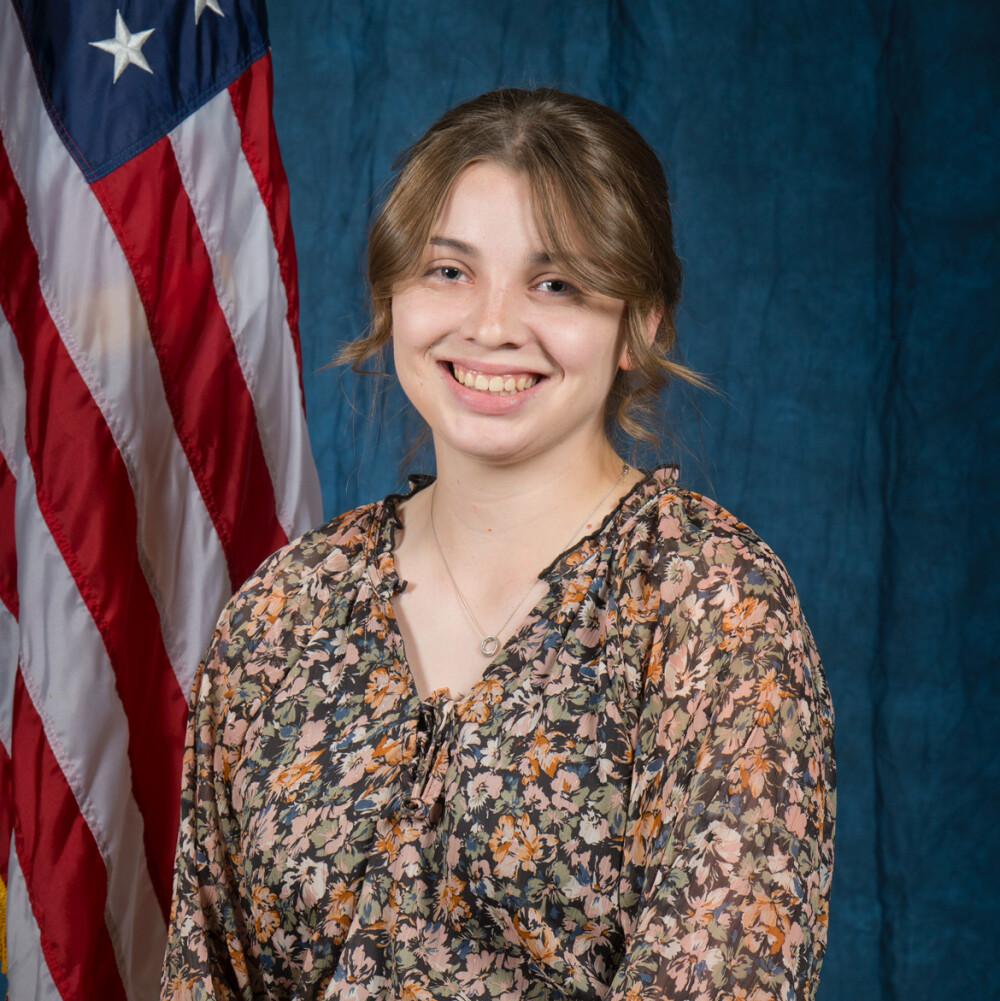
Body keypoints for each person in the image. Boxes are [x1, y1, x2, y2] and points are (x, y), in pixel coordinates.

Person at [161, 88, 835, 1000]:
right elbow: (207, 970)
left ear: (639, 323)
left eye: (555, 284)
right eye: (449, 270)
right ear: (392, 295)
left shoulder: (711, 607)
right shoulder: (283, 612)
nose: (489, 325)